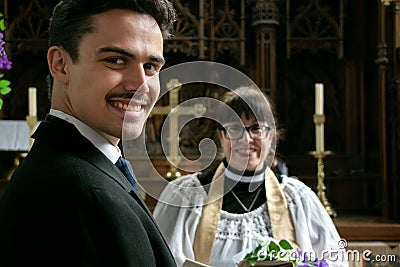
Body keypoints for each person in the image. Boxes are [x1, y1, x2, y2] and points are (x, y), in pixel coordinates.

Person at [0, 1, 177, 266]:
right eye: (116, 60)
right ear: (60, 64)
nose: (140, 85)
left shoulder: (68, 167)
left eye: (151, 66)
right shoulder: (85, 193)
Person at [153, 86, 348, 267]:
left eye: (256, 128)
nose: (246, 140)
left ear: (271, 137)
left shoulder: (297, 199)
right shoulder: (186, 197)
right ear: (221, 137)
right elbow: (159, 260)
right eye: (235, 128)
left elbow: (334, 261)